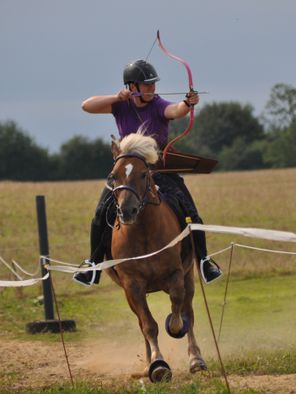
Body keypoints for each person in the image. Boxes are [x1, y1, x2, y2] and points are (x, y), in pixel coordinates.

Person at [73, 59, 222, 286]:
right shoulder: (120, 105)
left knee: (190, 210)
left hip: (158, 170)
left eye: (153, 84)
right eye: (146, 84)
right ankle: (93, 265)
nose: (152, 89)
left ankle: (203, 261)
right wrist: (116, 97)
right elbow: (86, 105)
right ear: (132, 87)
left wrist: (187, 103)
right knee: (100, 213)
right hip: (126, 172)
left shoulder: (158, 103)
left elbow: (175, 110)